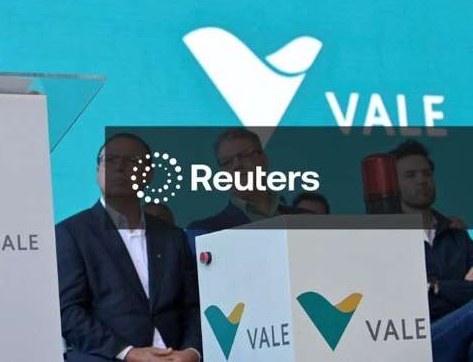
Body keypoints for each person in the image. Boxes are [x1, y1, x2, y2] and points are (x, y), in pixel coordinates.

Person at [56, 134, 201, 362]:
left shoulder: (172, 236)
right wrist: (128, 353)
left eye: (132, 161)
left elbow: (193, 305)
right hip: (109, 356)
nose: (120, 168)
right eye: (110, 160)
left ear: (148, 175)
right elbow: (69, 312)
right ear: (97, 173)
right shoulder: (72, 234)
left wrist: (192, 352)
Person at [391, 140, 472, 361]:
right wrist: (459, 288)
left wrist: (434, 286)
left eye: (426, 173)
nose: (422, 181)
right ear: (394, 184)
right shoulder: (385, 237)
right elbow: (405, 302)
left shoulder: (458, 236)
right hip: (417, 340)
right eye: (410, 175)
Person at [186, 128, 308, 250]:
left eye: (244, 156)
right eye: (226, 162)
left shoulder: (307, 220)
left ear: (264, 160)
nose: (236, 165)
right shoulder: (205, 232)